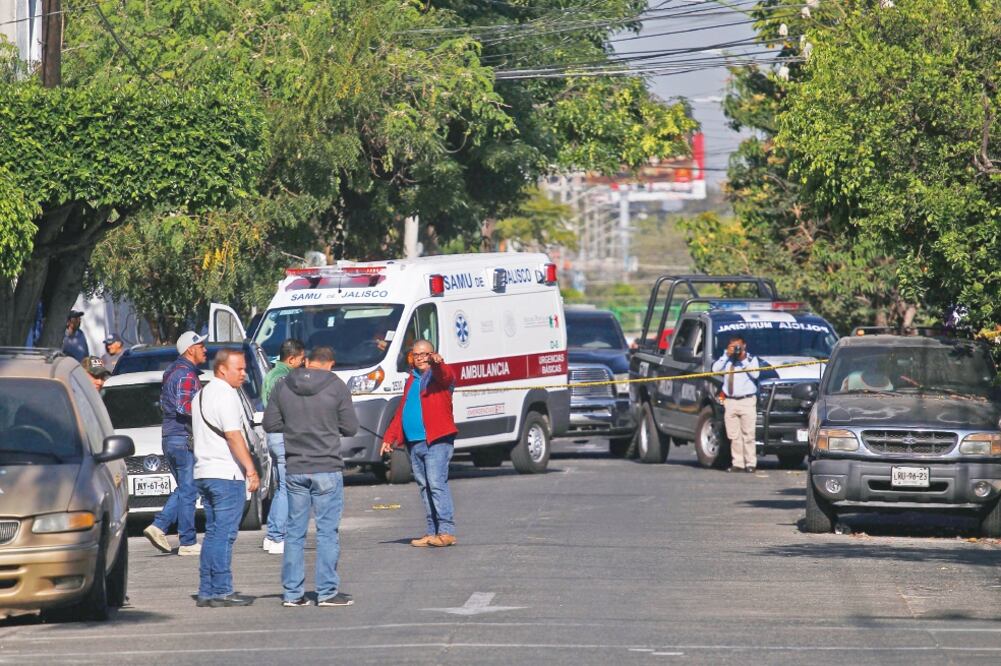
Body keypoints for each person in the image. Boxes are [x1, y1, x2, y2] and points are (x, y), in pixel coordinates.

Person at [263, 346, 358, 607]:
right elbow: (350, 427)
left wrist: (295, 424)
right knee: (327, 532)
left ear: (306, 361)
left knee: (294, 532)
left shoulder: (283, 384)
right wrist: (326, 424)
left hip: (295, 467)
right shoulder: (336, 386)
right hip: (326, 465)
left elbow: (270, 424)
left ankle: (293, 594)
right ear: (331, 363)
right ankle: (327, 592)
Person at [191, 348, 260, 607]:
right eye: (238, 369)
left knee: (213, 532)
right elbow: (234, 435)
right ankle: (221, 589)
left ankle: (207, 589)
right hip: (225, 473)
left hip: (204, 472)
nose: (244, 374)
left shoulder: (201, 395)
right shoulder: (226, 394)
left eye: (244, 369)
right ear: (222, 369)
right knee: (224, 534)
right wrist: (251, 469)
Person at [380, 340, 458, 547]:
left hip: (436, 442)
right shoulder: (411, 380)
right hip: (415, 443)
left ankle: (446, 531)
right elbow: (401, 412)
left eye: (425, 354)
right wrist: (389, 437)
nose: (421, 358)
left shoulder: (438, 376)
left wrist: (438, 363)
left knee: (436, 485)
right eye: (416, 355)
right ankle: (432, 531)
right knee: (425, 487)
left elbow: (446, 375)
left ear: (433, 354)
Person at [143, 331, 207, 556]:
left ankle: (158, 526)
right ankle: (187, 542)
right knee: (189, 491)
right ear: (190, 350)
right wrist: (207, 416)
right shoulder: (186, 375)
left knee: (185, 489)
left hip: (171, 437)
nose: (205, 349)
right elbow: (184, 407)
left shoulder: (172, 372)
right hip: (182, 437)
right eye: (201, 346)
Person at [261, 338, 306, 555]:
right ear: (291, 358)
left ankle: (272, 535)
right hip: (284, 436)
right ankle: (278, 535)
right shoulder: (285, 378)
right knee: (288, 488)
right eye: (301, 359)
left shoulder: (270, 374)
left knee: (281, 488)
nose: (303, 363)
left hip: (273, 436)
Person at [711, 335, 760, 473]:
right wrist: (727, 355)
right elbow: (715, 369)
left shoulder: (751, 359)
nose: (736, 349)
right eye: (733, 346)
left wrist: (743, 359)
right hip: (730, 401)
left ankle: (750, 463)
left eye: (738, 346)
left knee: (748, 434)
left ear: (744, 346)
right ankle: (738, 463)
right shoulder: (727, 360)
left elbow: (756, 375)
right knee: (734, 435)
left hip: (747, 400)